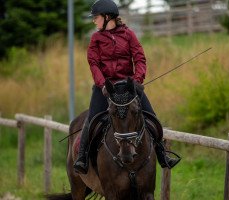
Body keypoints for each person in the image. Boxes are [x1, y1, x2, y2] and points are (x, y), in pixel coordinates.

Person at [74, 0, 181, 174]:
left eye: (96, 17)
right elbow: (93, 64)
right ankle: (82, 158)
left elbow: (140, 58)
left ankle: (162, 155)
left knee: (152, 118)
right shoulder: (95, 39)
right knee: (91, 120)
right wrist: (102, 85)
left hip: (129, 87)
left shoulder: (129, 35)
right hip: (105, 88)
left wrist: (137, 80)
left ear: (108, 17)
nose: (94, 20)